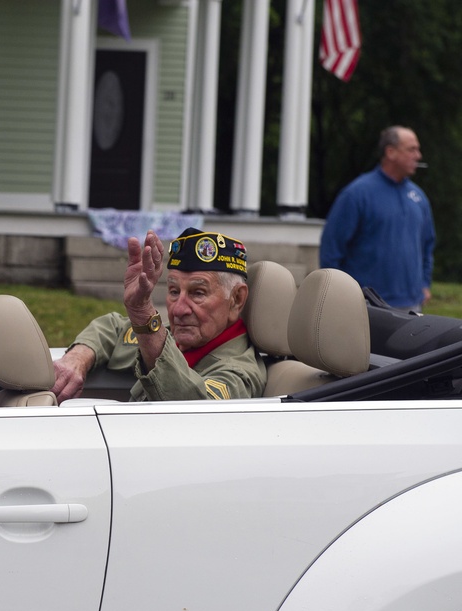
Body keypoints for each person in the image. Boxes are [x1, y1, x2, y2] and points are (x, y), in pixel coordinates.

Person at [51, 228, 266, 403]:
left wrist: (142, 312)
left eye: (198, 293)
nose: (179, 309)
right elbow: (114, 328)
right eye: (174, 291)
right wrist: (77, 359)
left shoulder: (239, 372)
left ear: (237, 299)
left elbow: (193, 406)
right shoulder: (178, 339)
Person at [319, 126, 436, 312]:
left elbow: (427, 245)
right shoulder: (357, 194)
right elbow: (332, 247)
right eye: (411, 149)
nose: (418, 155)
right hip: (367, 306)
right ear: (390, 152)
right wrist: (338, 293)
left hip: (412, 304)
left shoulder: (418, 197)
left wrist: (424, 284)